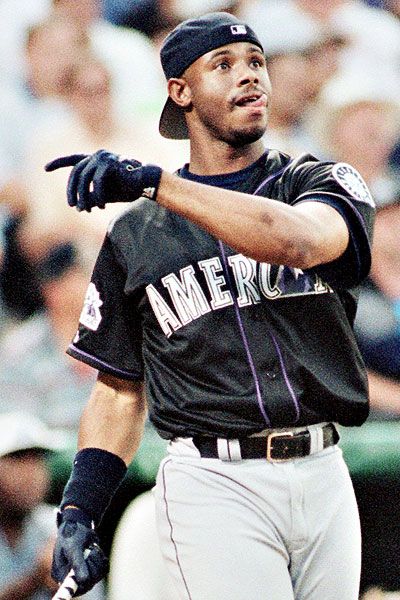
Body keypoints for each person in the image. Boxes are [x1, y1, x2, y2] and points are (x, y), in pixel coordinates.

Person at [45, 12, 375, 600]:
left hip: (325, 470)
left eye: (256, 63)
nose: (250, 77)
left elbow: (298, 241)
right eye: (224, 66)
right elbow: (119, 388)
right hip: (215, 482)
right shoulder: (139, 234)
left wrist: (153, 182)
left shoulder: (320, 181)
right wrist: (79, 507)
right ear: (181, 92)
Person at [0, 411, 104, 600]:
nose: (30, 473)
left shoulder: (64, 526)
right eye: (17, 459)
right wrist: (34, 580)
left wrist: (67, 585)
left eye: (38, 459)